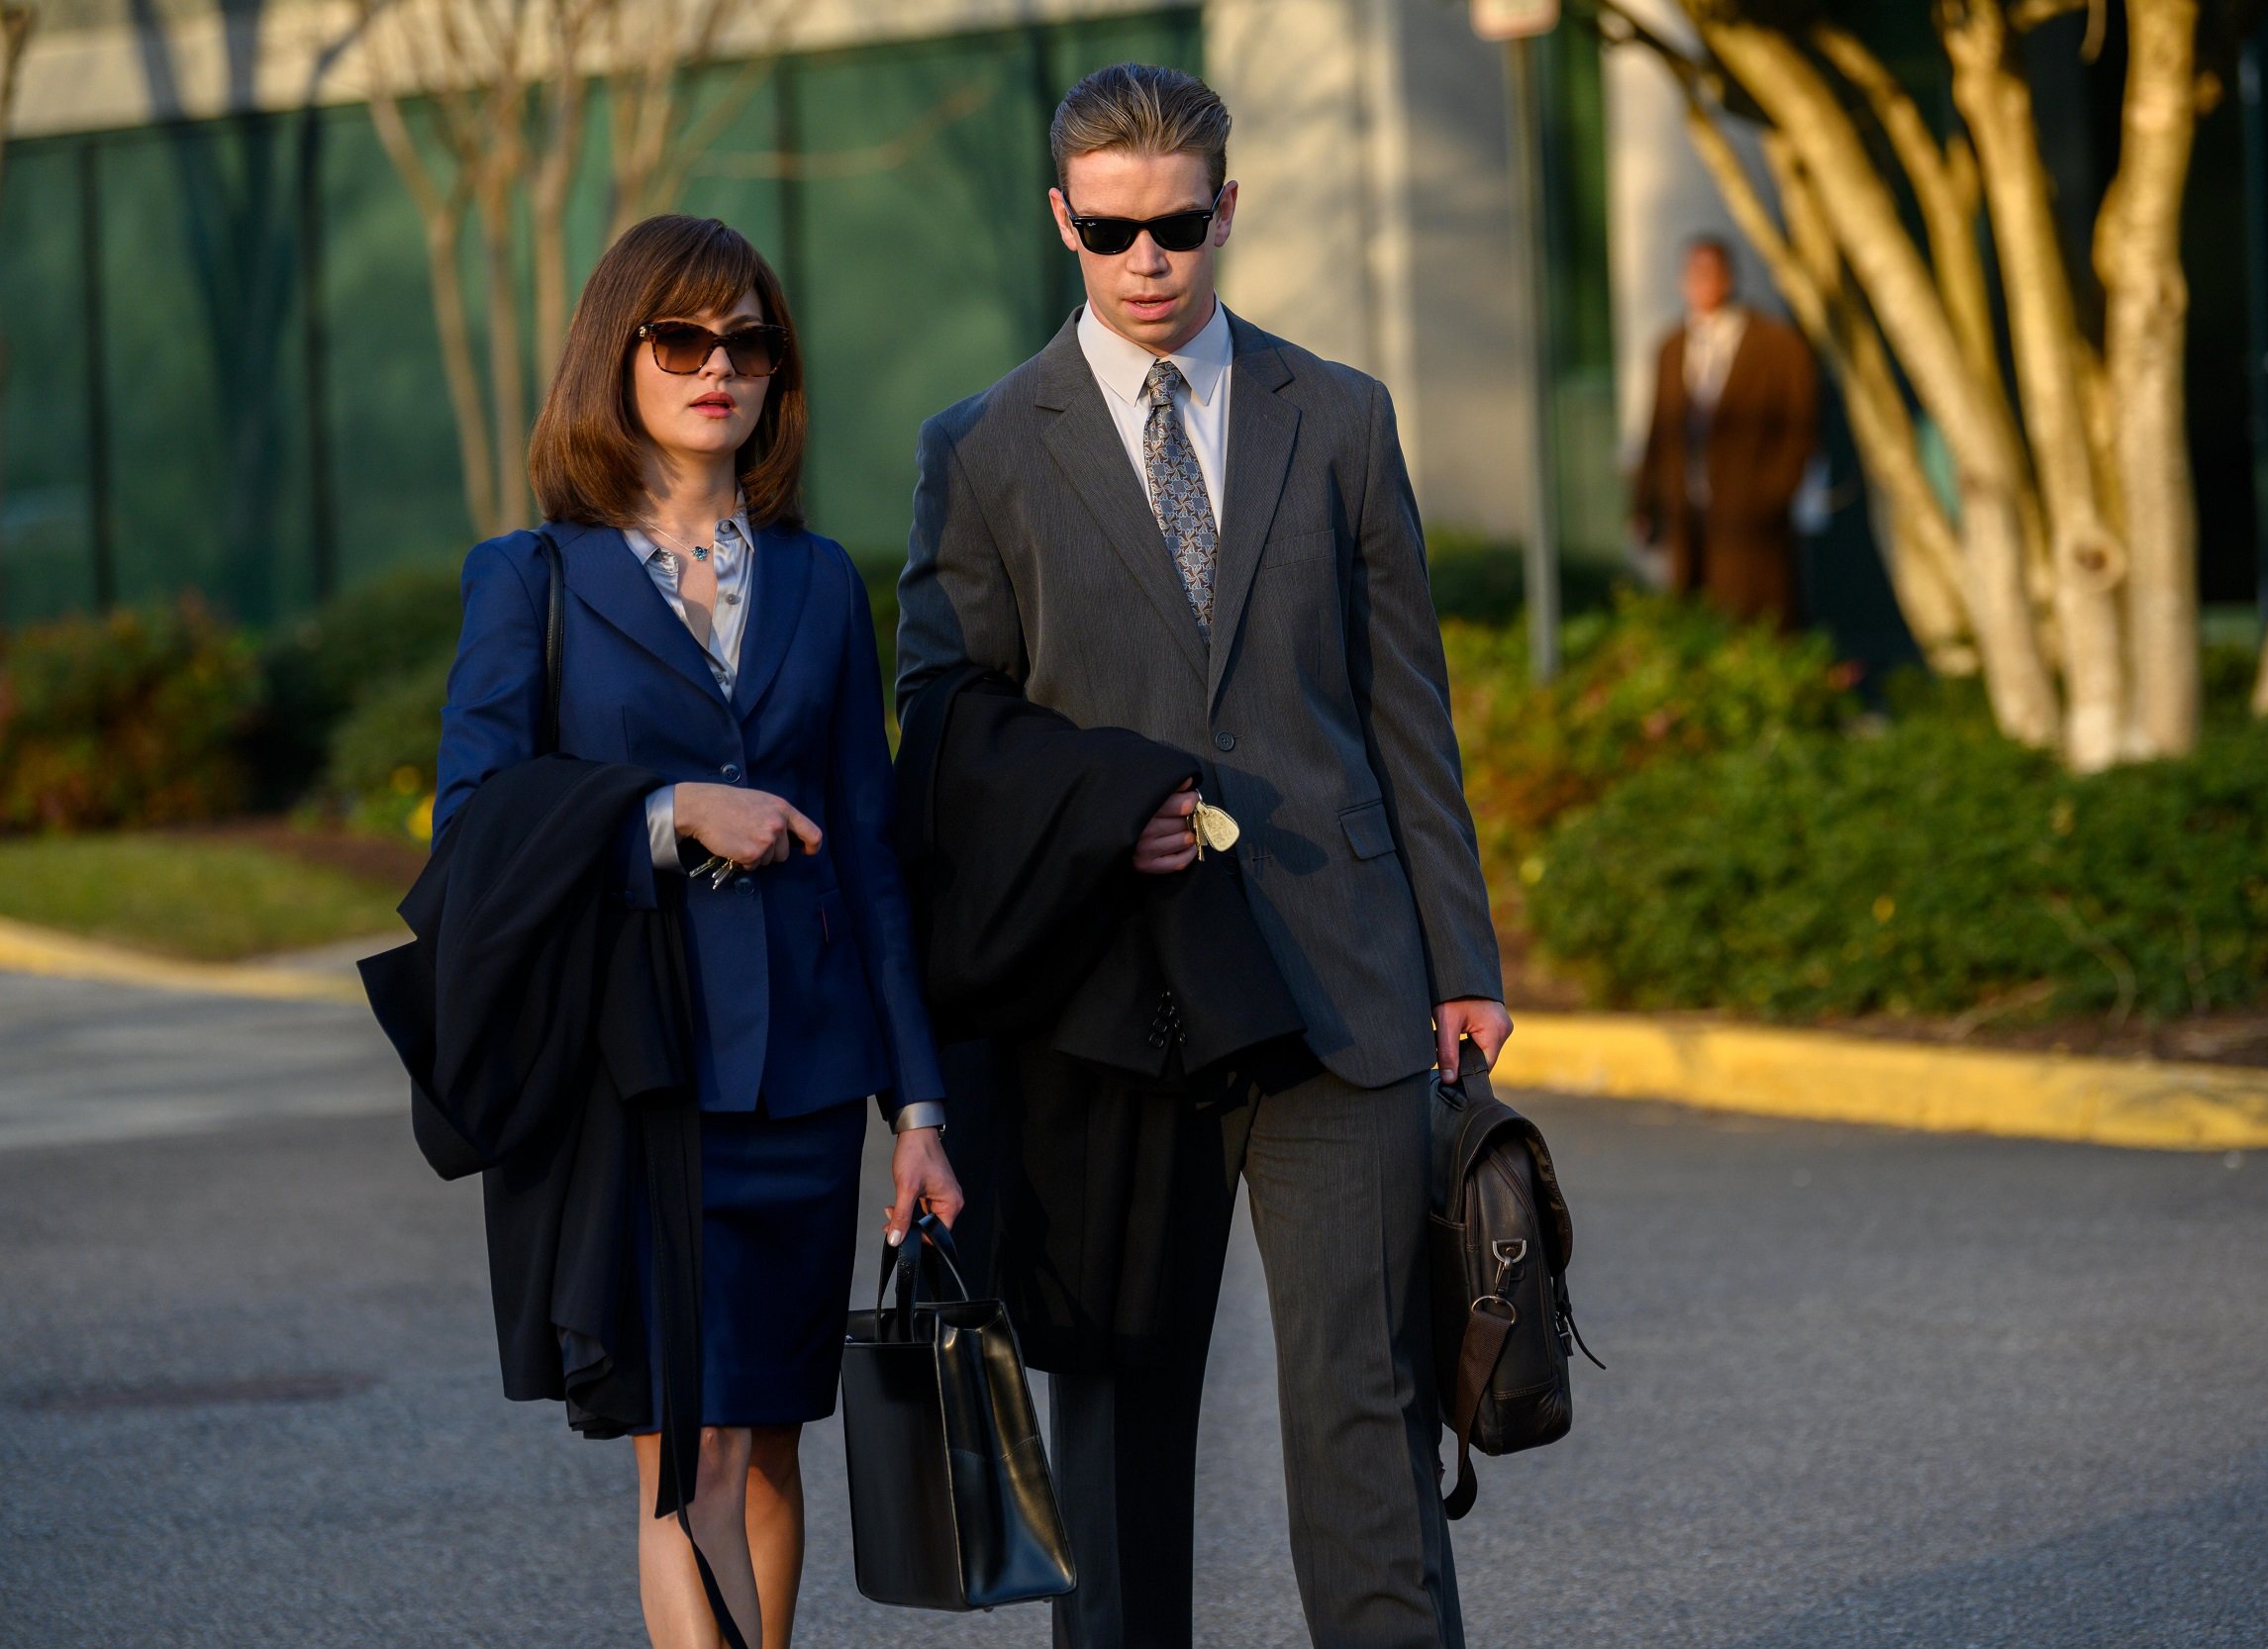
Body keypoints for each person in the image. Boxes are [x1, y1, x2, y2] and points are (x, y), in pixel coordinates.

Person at [898, 62, 1509, 1649]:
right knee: (1109, 1430)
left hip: (1339, 980)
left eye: (1177, 224)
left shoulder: (1345, 417)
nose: (1148, 262)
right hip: (1112, 1001)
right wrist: (1105, 806)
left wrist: (1465, 967)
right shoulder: (981, 450)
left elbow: (1407, 717)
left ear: (1226, 208)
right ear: (1063, 222)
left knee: (1362, 1417)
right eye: (1111, 233)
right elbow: (942, 719)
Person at [432, 213, 963, 1649]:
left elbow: (870, 857)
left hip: (802, 1087)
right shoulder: (532, 580)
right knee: (692, 1451)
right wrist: (670, 812)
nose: (716, 367)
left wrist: (917, 1106)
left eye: (747, 340)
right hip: (645, 1079)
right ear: (620, 355)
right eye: (681, 338)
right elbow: (474, 822)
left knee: (775, 1438)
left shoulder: (817, 583)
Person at [1629, 235, 1819, 627]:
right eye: (1694, 276)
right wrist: (1644, 501)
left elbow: (1802, 426)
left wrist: (1774, 491)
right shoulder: (1671, 347)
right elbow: (1659, 429)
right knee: (1696, 615)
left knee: (1757, 614)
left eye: (1710, 274)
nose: (1702, 285)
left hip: (1751, 515)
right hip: (1689, 512)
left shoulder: (1776, 345)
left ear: (1728, 278)